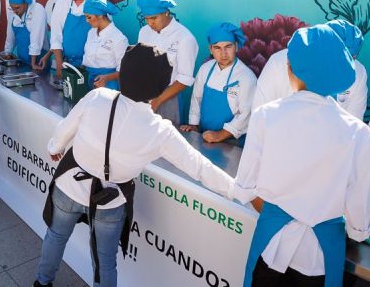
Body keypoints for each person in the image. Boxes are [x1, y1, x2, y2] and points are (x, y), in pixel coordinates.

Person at [35, 44, 234, 287]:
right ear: (160, 86)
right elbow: (200, 167)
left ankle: (42, 282)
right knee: (105, 261)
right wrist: (236, 190)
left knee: (56, 236)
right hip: (110, 201)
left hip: (70, 186)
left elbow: (64, 130)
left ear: (124, 73)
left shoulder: (97, 97)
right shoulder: (160, 130)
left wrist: (54, 148)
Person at [231, 24, 370, 287]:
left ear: (289, 69)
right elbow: (359, 220)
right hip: (320, 256)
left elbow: (245, 187)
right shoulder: (359, 133)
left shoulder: (266, 116)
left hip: (272, 245)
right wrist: (354, 228)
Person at [251, 19, 369, 120]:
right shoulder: (278, 62)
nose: (340, 66)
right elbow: (259, 114)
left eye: (349, 60)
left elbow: (353, 120)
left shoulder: (359, 73)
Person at [180, 22, 258, 145]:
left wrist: (220, 135)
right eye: (217, 48)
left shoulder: (247, 77)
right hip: (205, 135)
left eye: (228, 46)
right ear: (211, 49)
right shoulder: (205, 69)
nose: (223, 53)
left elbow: (246, 114)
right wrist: (194, 126)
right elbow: (196, 99)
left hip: (233, 141)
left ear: (236, 46)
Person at [136, 0, 198, 124]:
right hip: (144, 94)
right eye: (146, 19)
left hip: (169, 98)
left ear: (166, 12)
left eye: (154, 18)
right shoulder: (144, 32)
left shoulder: (185, 38)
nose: (150, 23)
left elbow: (184, 79)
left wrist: (158, 100)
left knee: (168, 133)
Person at [50, 0, 98, 80]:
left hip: (93, 67)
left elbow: (104, 38)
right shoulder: (62, 4)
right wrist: (60, 66)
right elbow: (56, 38)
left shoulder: (97, 4)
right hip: (68, 65)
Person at [81, 0, 127, 90]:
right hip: (88, 80)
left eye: (89, 17)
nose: (87, 21)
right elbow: (87, 58)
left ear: (100, 15)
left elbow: (124, 70)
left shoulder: (118, 38)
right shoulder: (91, 32)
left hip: (108, 85)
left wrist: (106, 78)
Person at [2, 0, 48, 66]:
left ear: (25, 3)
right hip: (22, 60)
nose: (15, 11)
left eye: (17, 8)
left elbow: (36, 39)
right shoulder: (12, 12)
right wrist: (7, 54)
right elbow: (10, 38)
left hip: (39, 60)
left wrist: (33, 64)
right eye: (12, 8)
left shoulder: (37, 10)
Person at [33, 0, 66, 73]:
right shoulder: (53, 2)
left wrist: (50, 57)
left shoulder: (67, 2)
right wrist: (48, 55)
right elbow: (56, 35)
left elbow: (62, 35)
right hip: (58, 54)